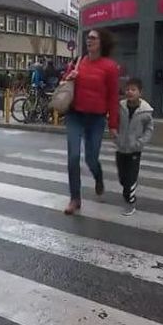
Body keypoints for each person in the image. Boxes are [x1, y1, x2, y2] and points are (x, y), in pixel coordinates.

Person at [63, 28, 120, 215]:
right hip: (75, 115)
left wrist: (113, 125)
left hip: (96, 118)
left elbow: (112, 97)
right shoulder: (78, 62)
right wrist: (68, 77)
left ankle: (99, 177)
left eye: (93, 38)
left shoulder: (110, 67)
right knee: (72, 156)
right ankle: (75, 198)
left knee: (91, 158)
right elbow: (65, 84)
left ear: (101, 42)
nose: (89, 40)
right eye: (88, 38)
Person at [115, 77, 154, 216]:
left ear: (140, 92)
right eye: (128, 89)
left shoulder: (145, 111)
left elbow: (149, 129)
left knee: (131, 177)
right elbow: (114, 121)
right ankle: (127, 191)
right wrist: (115, 135)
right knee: (122, 177)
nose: (130, 92)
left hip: (134, 150)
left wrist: (141, 142)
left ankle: (130, 203)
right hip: (121, 148)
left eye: (133, 89)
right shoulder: (121, 106)